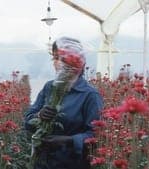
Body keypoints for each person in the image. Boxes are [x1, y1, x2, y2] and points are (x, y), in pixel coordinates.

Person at [24, 36, 103, 169]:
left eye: (59, 58)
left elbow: (96, 135)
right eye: (54, 58)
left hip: (72, 163)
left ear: (75, 61)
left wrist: (68, 141)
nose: (56, 62)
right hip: (43, 162)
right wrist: (39, 116)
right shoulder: (49, 88)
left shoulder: (89, 95)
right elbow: (27, 120)